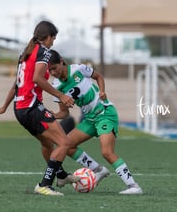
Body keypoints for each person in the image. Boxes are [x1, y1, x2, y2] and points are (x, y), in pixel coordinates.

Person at [0, 20, 78, 196]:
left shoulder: (26, 53)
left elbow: (17, 84)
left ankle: (61, 175)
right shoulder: (43, 52)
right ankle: (44, 185)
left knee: (48, 144)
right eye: (53, 38)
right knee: (64, 142)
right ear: (46, 37)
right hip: (31, 108)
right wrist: (61, 95)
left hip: (21, 109)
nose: (53, 42)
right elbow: (38, 78)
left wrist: (4, 107)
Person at [47, 49, 143, 194]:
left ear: (61, 61)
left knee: (107, 152)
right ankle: (98, 170)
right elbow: (64, 113)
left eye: (54, 68)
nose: (53, 72)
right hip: (89, 119)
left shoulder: (78, 69)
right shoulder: (56, 86)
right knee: (66, 145)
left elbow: (98, 76)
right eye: (49, 70)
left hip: (104, 114)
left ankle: (134, 186)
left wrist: (102, 91)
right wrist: (53, 115)